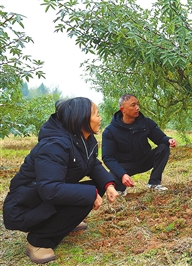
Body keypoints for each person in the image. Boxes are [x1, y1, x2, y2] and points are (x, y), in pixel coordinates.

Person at [2, 97, 119, 264]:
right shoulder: (54, 145)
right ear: (81, 118)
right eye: (96, 114)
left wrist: (108, 184)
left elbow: (92, 164)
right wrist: (89, 194)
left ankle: (65, 222)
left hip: (46, 196)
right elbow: (49, 189)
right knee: (88, 194)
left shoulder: (85, 140)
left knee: (94, 188)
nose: (100, 118)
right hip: (25, 205)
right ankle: (38, 241)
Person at [102, 93, 177, 193]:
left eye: (138, 104)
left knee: (164, 147)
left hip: (145, 160)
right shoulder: (110, 131)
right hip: (126, 166)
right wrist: (122, 174)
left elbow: (160, 138)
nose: (137, 108)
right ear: (122, 109)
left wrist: (168, 140)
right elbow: (108, 157)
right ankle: (120, 190)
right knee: (112, 175)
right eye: (133, 105)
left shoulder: (146, 122)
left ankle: (154, 183)